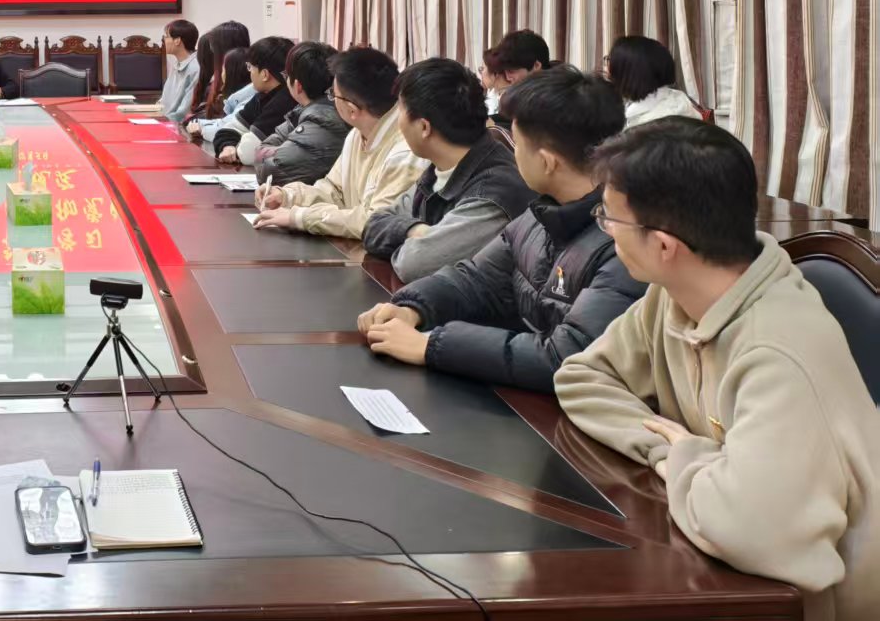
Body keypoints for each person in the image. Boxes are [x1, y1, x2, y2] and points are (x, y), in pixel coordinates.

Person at [557, 120, 878, 621]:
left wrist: (687, 458)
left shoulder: (779, 350)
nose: (607, 230)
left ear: (664, 246)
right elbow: (581, 378)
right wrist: (670, 452)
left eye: (610, 218)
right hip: (720, 569)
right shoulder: (674, 295)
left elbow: (752, 529)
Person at [358, 65, 643, 392]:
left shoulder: (622, 242)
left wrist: (431, 345)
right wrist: (412, 307)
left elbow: (568, 356)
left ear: (547, 162)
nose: (512, 153)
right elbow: (474, 278)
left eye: (517, 144)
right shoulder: (541, 215)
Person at [362, 58, 536, 283]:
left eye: (400, 111)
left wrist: (411, 239)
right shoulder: (438, 170)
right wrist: (415, 230)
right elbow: (374, 225)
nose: (398, 123)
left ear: (424, 127)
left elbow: (414, 264)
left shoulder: (493, 192)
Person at [254, 47, 419, 237]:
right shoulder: (357, 134)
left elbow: (375, 221)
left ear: (352, 110)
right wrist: (287, 196)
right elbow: (333, 191)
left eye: (333, 94)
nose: (331, 100)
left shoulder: (406, 151)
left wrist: (300, 217)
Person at [255, 41, 350, 187]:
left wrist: (278, 151)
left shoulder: (324, 120)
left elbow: (272, 170)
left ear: (298, 85)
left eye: (287, 75)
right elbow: (267, 145)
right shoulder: (305, 111)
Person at [211, 36, 296, 163]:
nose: (249, 72)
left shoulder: (285, 101)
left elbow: (249, 153)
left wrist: (236, 150)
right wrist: (228, 146)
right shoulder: (262, 96)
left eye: (250, 67)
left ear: (265, 74)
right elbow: (228, 130)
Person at [605, 35, 702, 128]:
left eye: (609, 60)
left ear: (628, 73)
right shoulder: (676, 98)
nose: (607, 68)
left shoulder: (650, 124)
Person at [186, 21, 251, 129]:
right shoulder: (218, 82)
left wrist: (197, 124)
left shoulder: (241, 86)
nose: (211, 52)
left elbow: (226, 122)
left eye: (213, 48)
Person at [482, 28, 551, 127]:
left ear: (536, 66)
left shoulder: (551, 100)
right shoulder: (526, 95)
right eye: (505, 72)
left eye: (511, 71)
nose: (508, 78)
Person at [157, 18, 201, 123]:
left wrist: (160, 120)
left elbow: (183, 112)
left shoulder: (195, 68)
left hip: (176, 125)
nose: (164, 41)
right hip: (165, 119)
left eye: (166, 37)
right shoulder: (177, 64)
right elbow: (164, 100)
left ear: (177, 40)